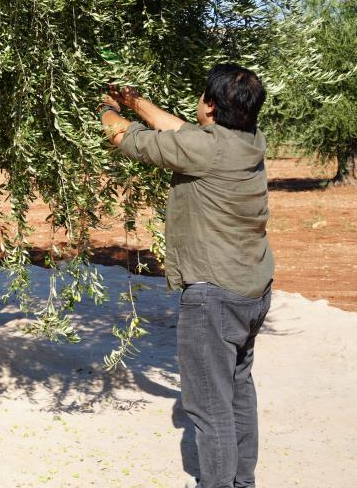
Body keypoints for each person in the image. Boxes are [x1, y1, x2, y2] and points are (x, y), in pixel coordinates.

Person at [99, 64, 274, 488]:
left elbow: (125, 139)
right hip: (251, 289)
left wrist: (105, 108)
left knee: (209, 407)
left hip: (214, 295)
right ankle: (241, 482)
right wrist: (133, 99)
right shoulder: (247, 140)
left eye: (201, 97)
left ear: (210, 107)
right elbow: (179, 130)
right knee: (237, 392)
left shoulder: (206, 150)